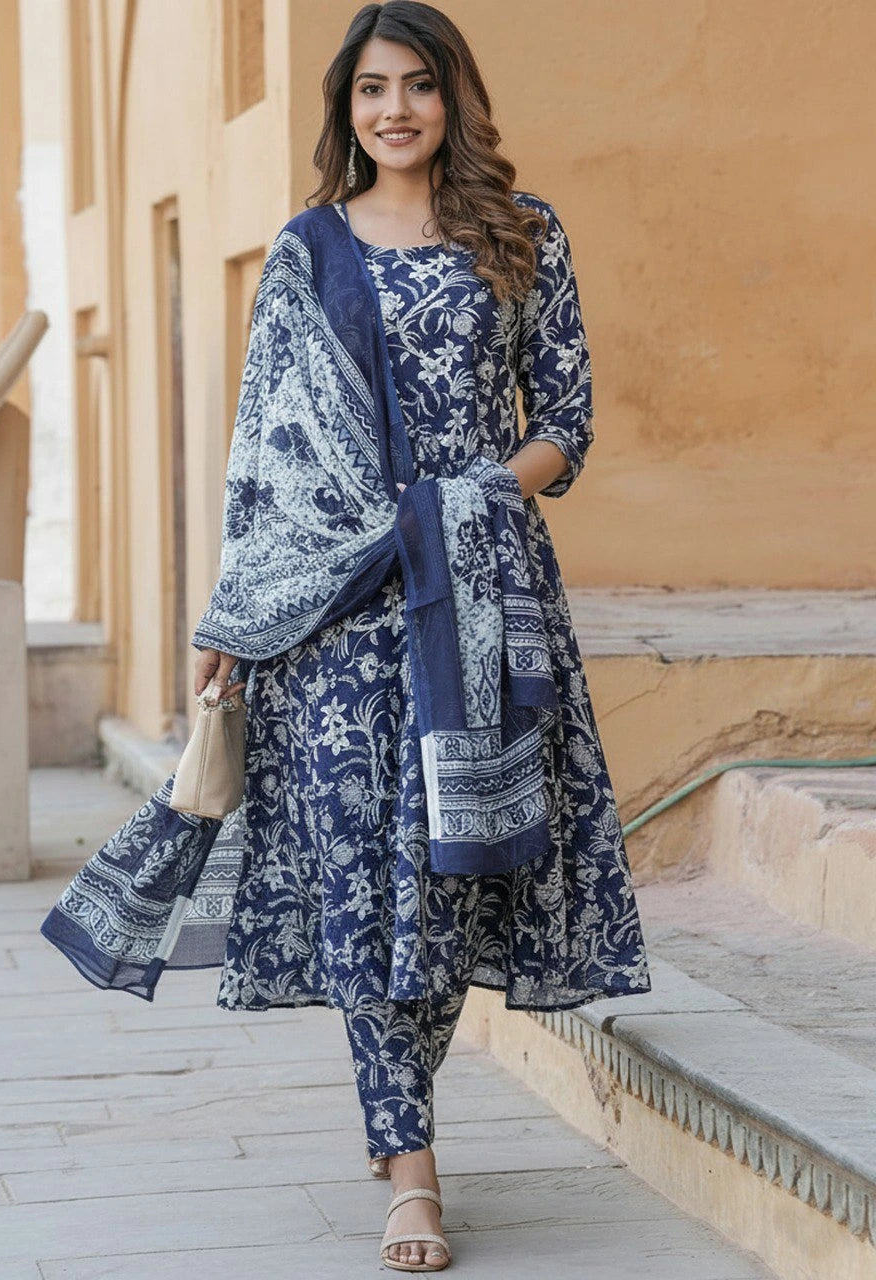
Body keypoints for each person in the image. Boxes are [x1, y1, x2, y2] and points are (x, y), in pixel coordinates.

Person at [189, 2, 651, 1271]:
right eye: (372, 90)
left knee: (445, 877)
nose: (394, 109)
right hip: (336, 613)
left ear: (455, 99)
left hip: (482, 599)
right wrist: (234, 616)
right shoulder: (306, 255)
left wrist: (480, 493)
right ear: (346, 109)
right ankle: (413, 1167)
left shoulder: (521, 234)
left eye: (419, 86)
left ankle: (399, 1117)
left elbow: (568, 416)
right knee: (359, 875)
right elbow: (264, 454)